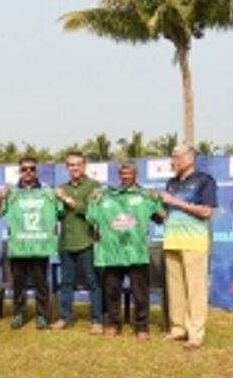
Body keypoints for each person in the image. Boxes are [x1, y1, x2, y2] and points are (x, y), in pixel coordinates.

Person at [86, 162, 164, 340]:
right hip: (112, 253)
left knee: (140, 293)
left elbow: (160, 218)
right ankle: (113, 324)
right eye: (123, 174)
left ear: (136, 174)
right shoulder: (104, 197)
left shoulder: (145, 196)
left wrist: (156, 199)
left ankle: (142, 327)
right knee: (112, 291)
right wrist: (93, 199)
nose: (125, 176)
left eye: (129, 173)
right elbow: (91, 218)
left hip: (136, 252)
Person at [159, 145, 217, 350]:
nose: (172, 161)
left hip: (194, 242)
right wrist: (153, 209)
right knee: (176, 289)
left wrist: (175, 201)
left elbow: (206, 212)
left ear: (189, 159)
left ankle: (196, 333)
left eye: (176, 157)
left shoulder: (204, 180)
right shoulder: (172, 183)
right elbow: (167, 212)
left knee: (195, 289)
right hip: (172, 240)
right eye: (172, 156)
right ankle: (178, 328)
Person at [0, 157, 58, 330]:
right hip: (19, 246)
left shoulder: (47, 192)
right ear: (20, 172)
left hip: (39, 246)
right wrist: (2, 197)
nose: (28, 172)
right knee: (18, 284)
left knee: (41, 283)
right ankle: (19, 313)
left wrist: (60, 197)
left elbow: (59, 212)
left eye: (31, 169)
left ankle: (42, 315)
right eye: (24, 169)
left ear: (36, 171)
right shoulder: (12, 193)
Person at [52, 151, 103, 334]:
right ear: (67, 168)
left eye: (78, 164)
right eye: (71, 165)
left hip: (87, 241)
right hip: (66, 242)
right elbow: (57, 215)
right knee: (66, 283)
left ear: (84, 166)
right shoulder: (61, 187)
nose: (74, 168)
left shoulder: (94, 186)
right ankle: (65, 317)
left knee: (93, 283)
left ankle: (97, 320)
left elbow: (90, 213)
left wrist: (66, 199)